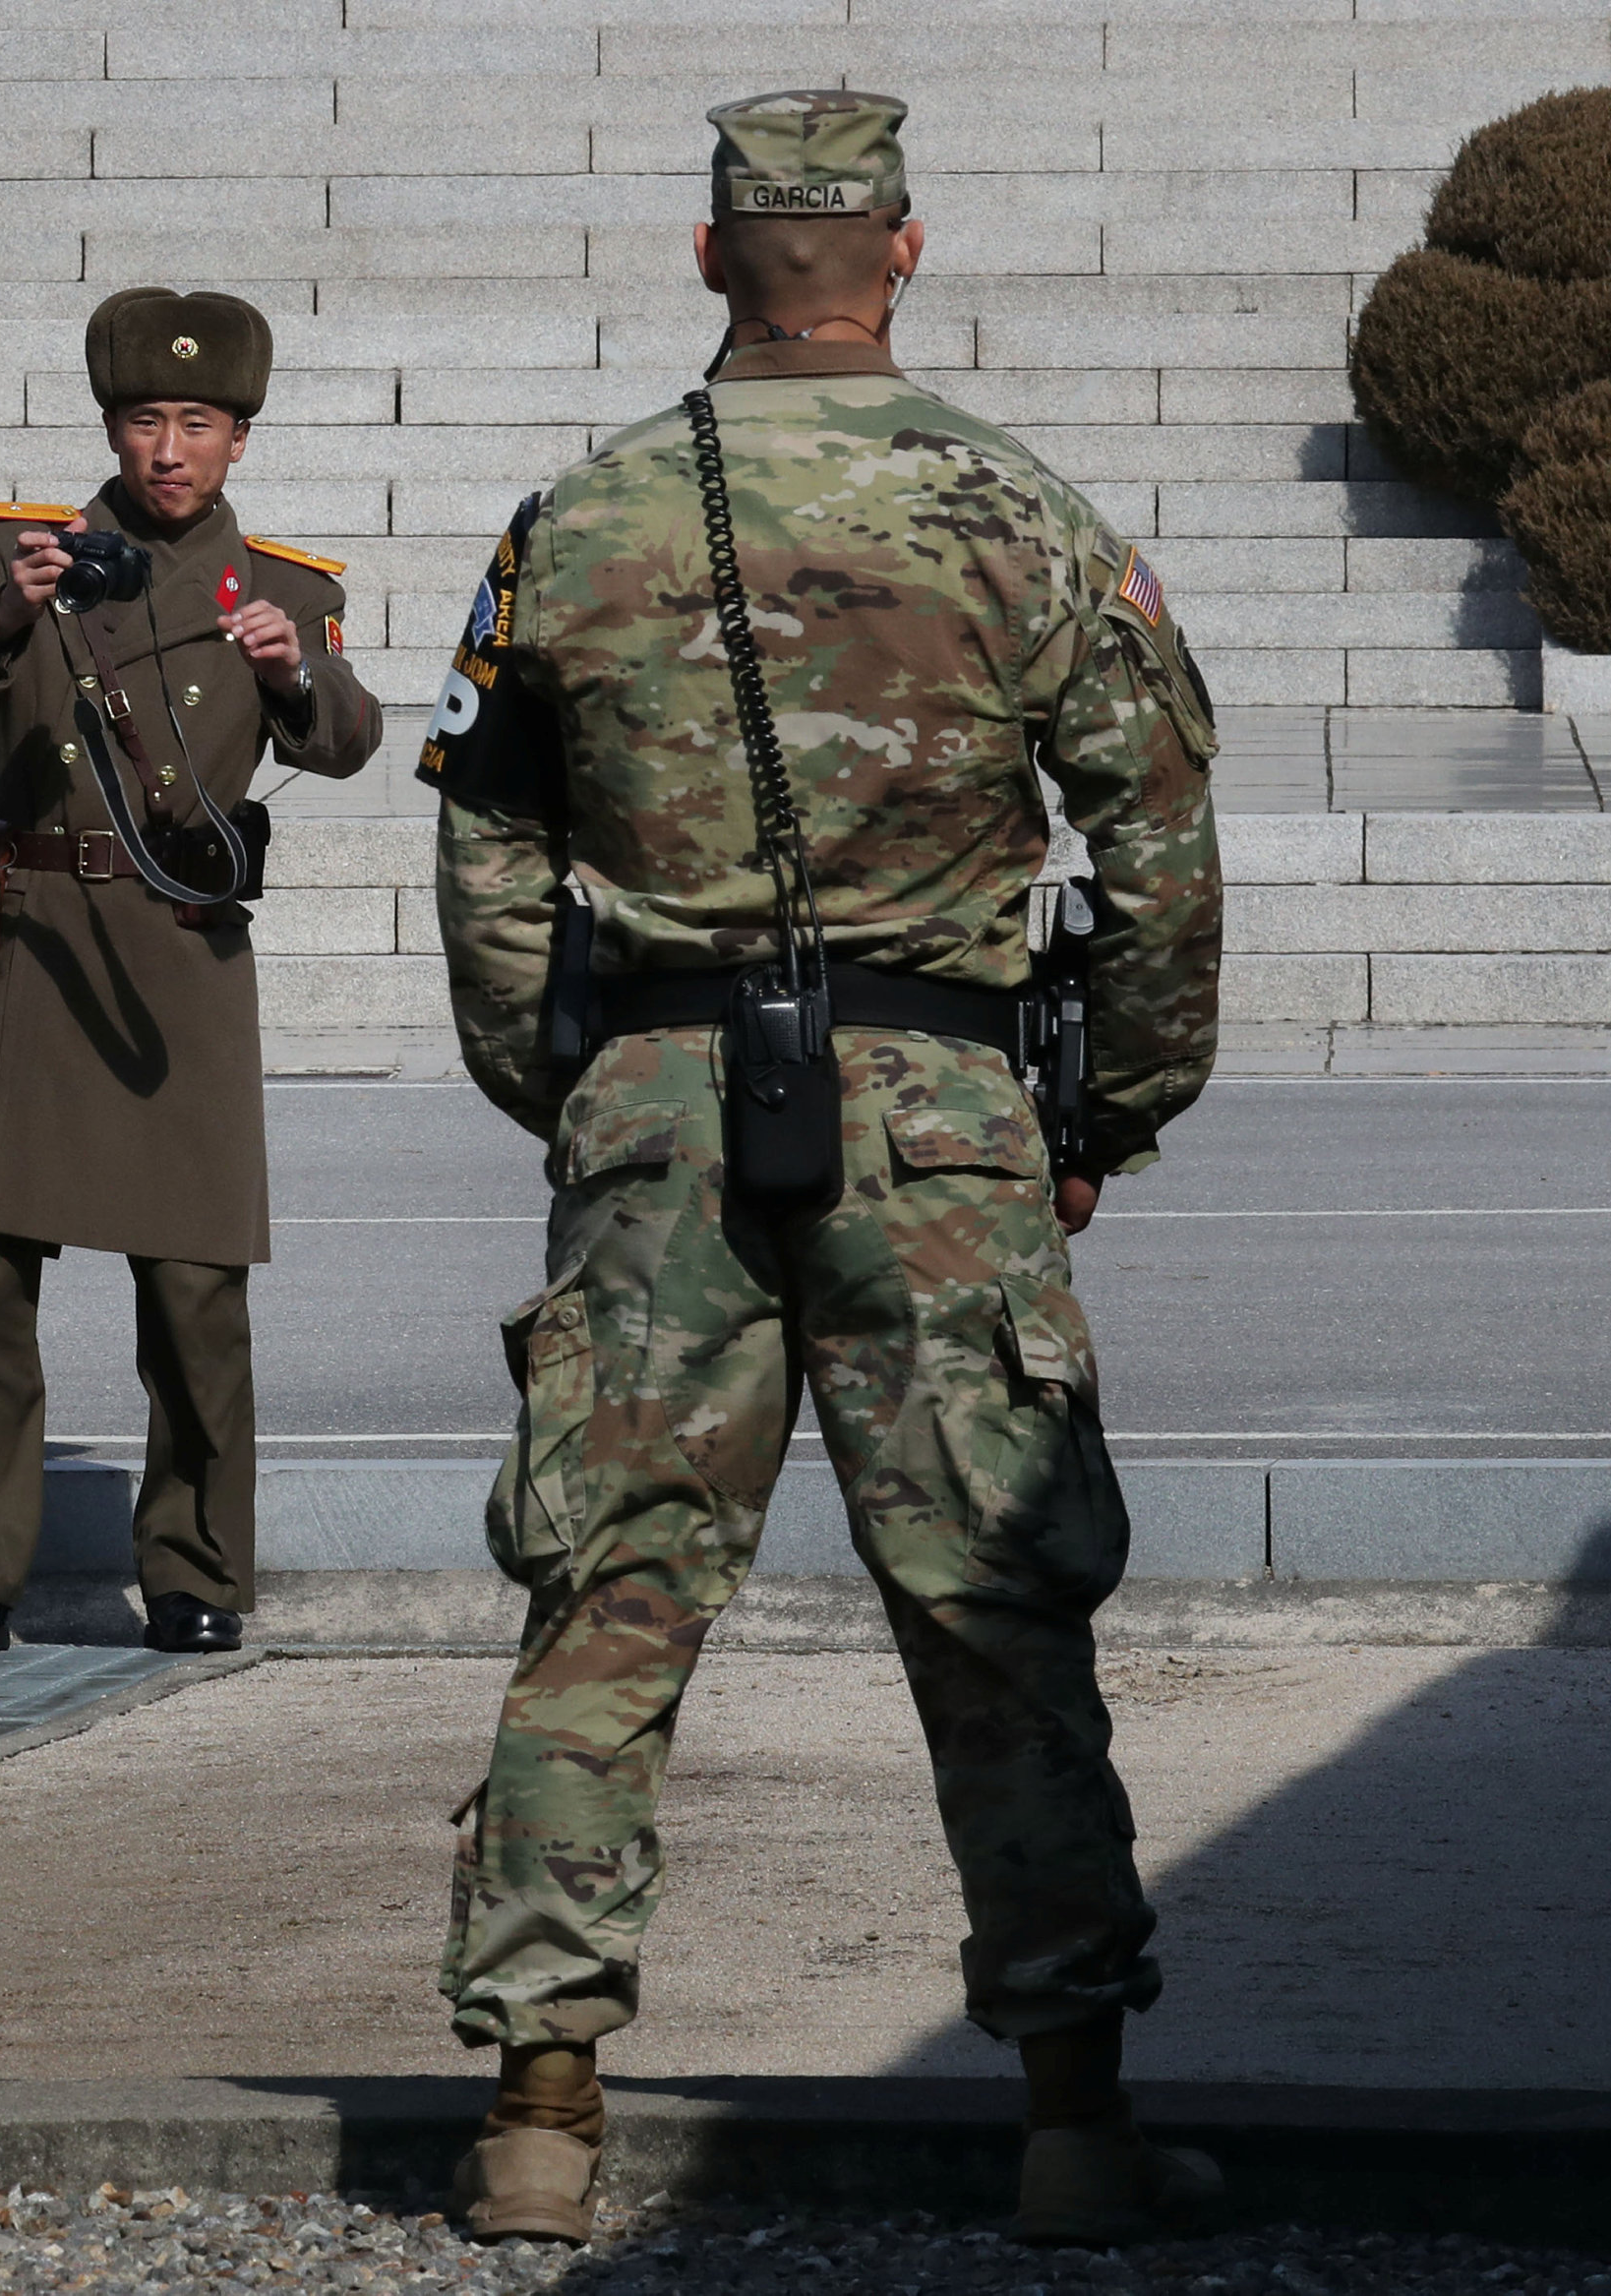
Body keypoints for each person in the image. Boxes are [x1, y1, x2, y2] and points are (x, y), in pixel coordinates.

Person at [427, 91, 1227, 2250]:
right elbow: (1156, 852)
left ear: (710, 262)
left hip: (661, 1104)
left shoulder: (577, 521)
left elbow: (489, 848)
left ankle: (538, 2111)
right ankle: (1071, 2117)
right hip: (943, 1109)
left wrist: (572, 1101)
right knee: (994, 1602)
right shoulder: (1018, 513)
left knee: (602, 1601)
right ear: (899, 252)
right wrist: (1104, 1122)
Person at [0, 288, 382, 1662]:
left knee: (196, 1292)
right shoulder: (23, 548)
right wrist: (6, 612)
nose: (170, 448)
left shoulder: (285, 589)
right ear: (112, 424)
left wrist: (294, 679)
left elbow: (348, 737)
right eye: (146, 420)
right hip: (27, 941)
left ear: (239, 440)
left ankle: (194, 1568)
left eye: (200, 424)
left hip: (181, 957)